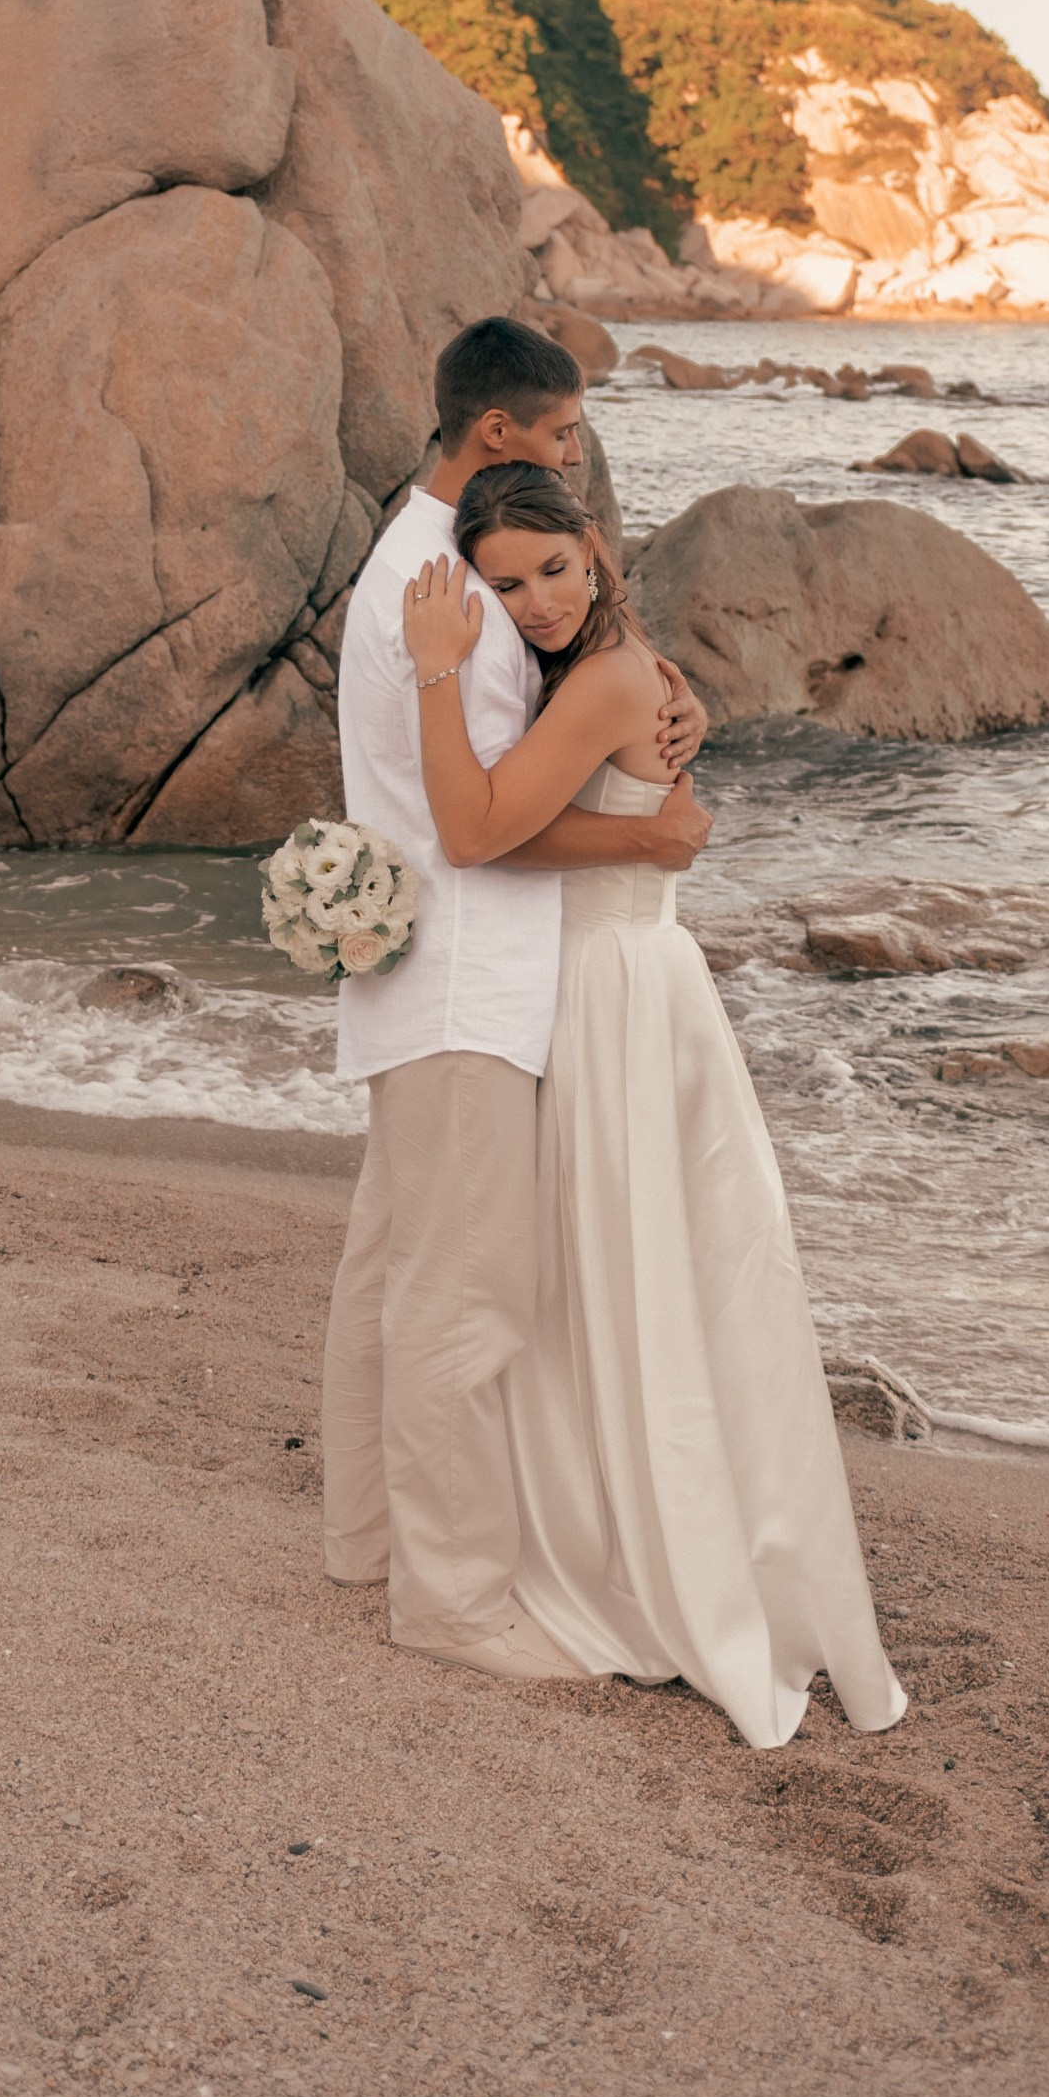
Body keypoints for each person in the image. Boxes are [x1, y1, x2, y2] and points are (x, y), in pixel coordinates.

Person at [399, 459, 904, 1747]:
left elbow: (474, 833)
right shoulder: (608, 669)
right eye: (506, 587)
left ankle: (652, 1555)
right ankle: (623, 1527)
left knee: (633, 1274)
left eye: (553, 569)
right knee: (619, 1276)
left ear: (596, 550)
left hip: (614, 990)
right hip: (613, 980)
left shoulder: (615, 677)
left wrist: (437, 671)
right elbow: (535, 826)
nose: (537, 601)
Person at [320, 317, 711, 1681]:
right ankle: (453, 1601)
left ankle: (368, 1539)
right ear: (498, 431)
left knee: (394, 1266)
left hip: (422, 976)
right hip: (463, 982)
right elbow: (479, 826)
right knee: (462, 1300)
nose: (573, 454)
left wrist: (665, 710)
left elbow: (570, 702)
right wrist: (649, 837)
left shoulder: (424, 555)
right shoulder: (448, 592)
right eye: (561, 433)